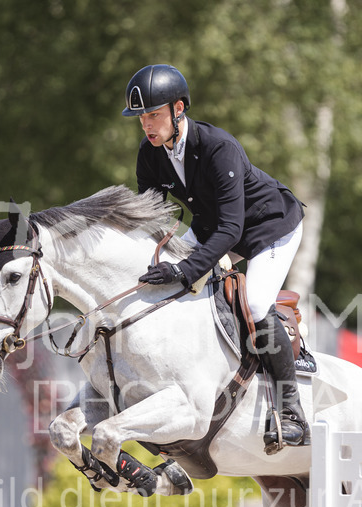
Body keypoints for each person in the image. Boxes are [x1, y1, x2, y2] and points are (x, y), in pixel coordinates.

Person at [122, 64, 308, 451]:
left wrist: (185, 270)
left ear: (178, 109)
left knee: (255, 303)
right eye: (141, 118)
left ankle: (291, 412)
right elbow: (152, 219)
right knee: (170, 290)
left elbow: (232, 230)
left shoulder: (218, 147)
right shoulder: (149, 154)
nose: (147, 125)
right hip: (216, 227)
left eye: (153, 115)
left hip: (270, 226)